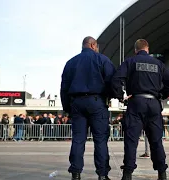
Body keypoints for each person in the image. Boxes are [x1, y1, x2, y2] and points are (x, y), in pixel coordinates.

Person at [111, 39, 169, 180]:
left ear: (135, 50)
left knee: (131, 140)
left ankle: (127, 175)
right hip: (153, 103)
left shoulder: (130, 61)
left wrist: (120, 96)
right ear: (148, 49)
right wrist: (161, 94)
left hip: (136, 102)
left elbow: (116, 79)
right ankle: (162, 174)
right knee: (156, 140)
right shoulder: (159, 64)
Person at [61, 36, 116, 180]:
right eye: (96, 46)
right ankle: (102, 175)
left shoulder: (71, 63)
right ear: (92, 45)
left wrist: (68, 108)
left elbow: (64, 87)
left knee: (78, 140)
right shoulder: (102, 60)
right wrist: (113, 96)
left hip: (77, 103)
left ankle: (76, 173)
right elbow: (112, 81)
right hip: (97, 102)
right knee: (100, 140)